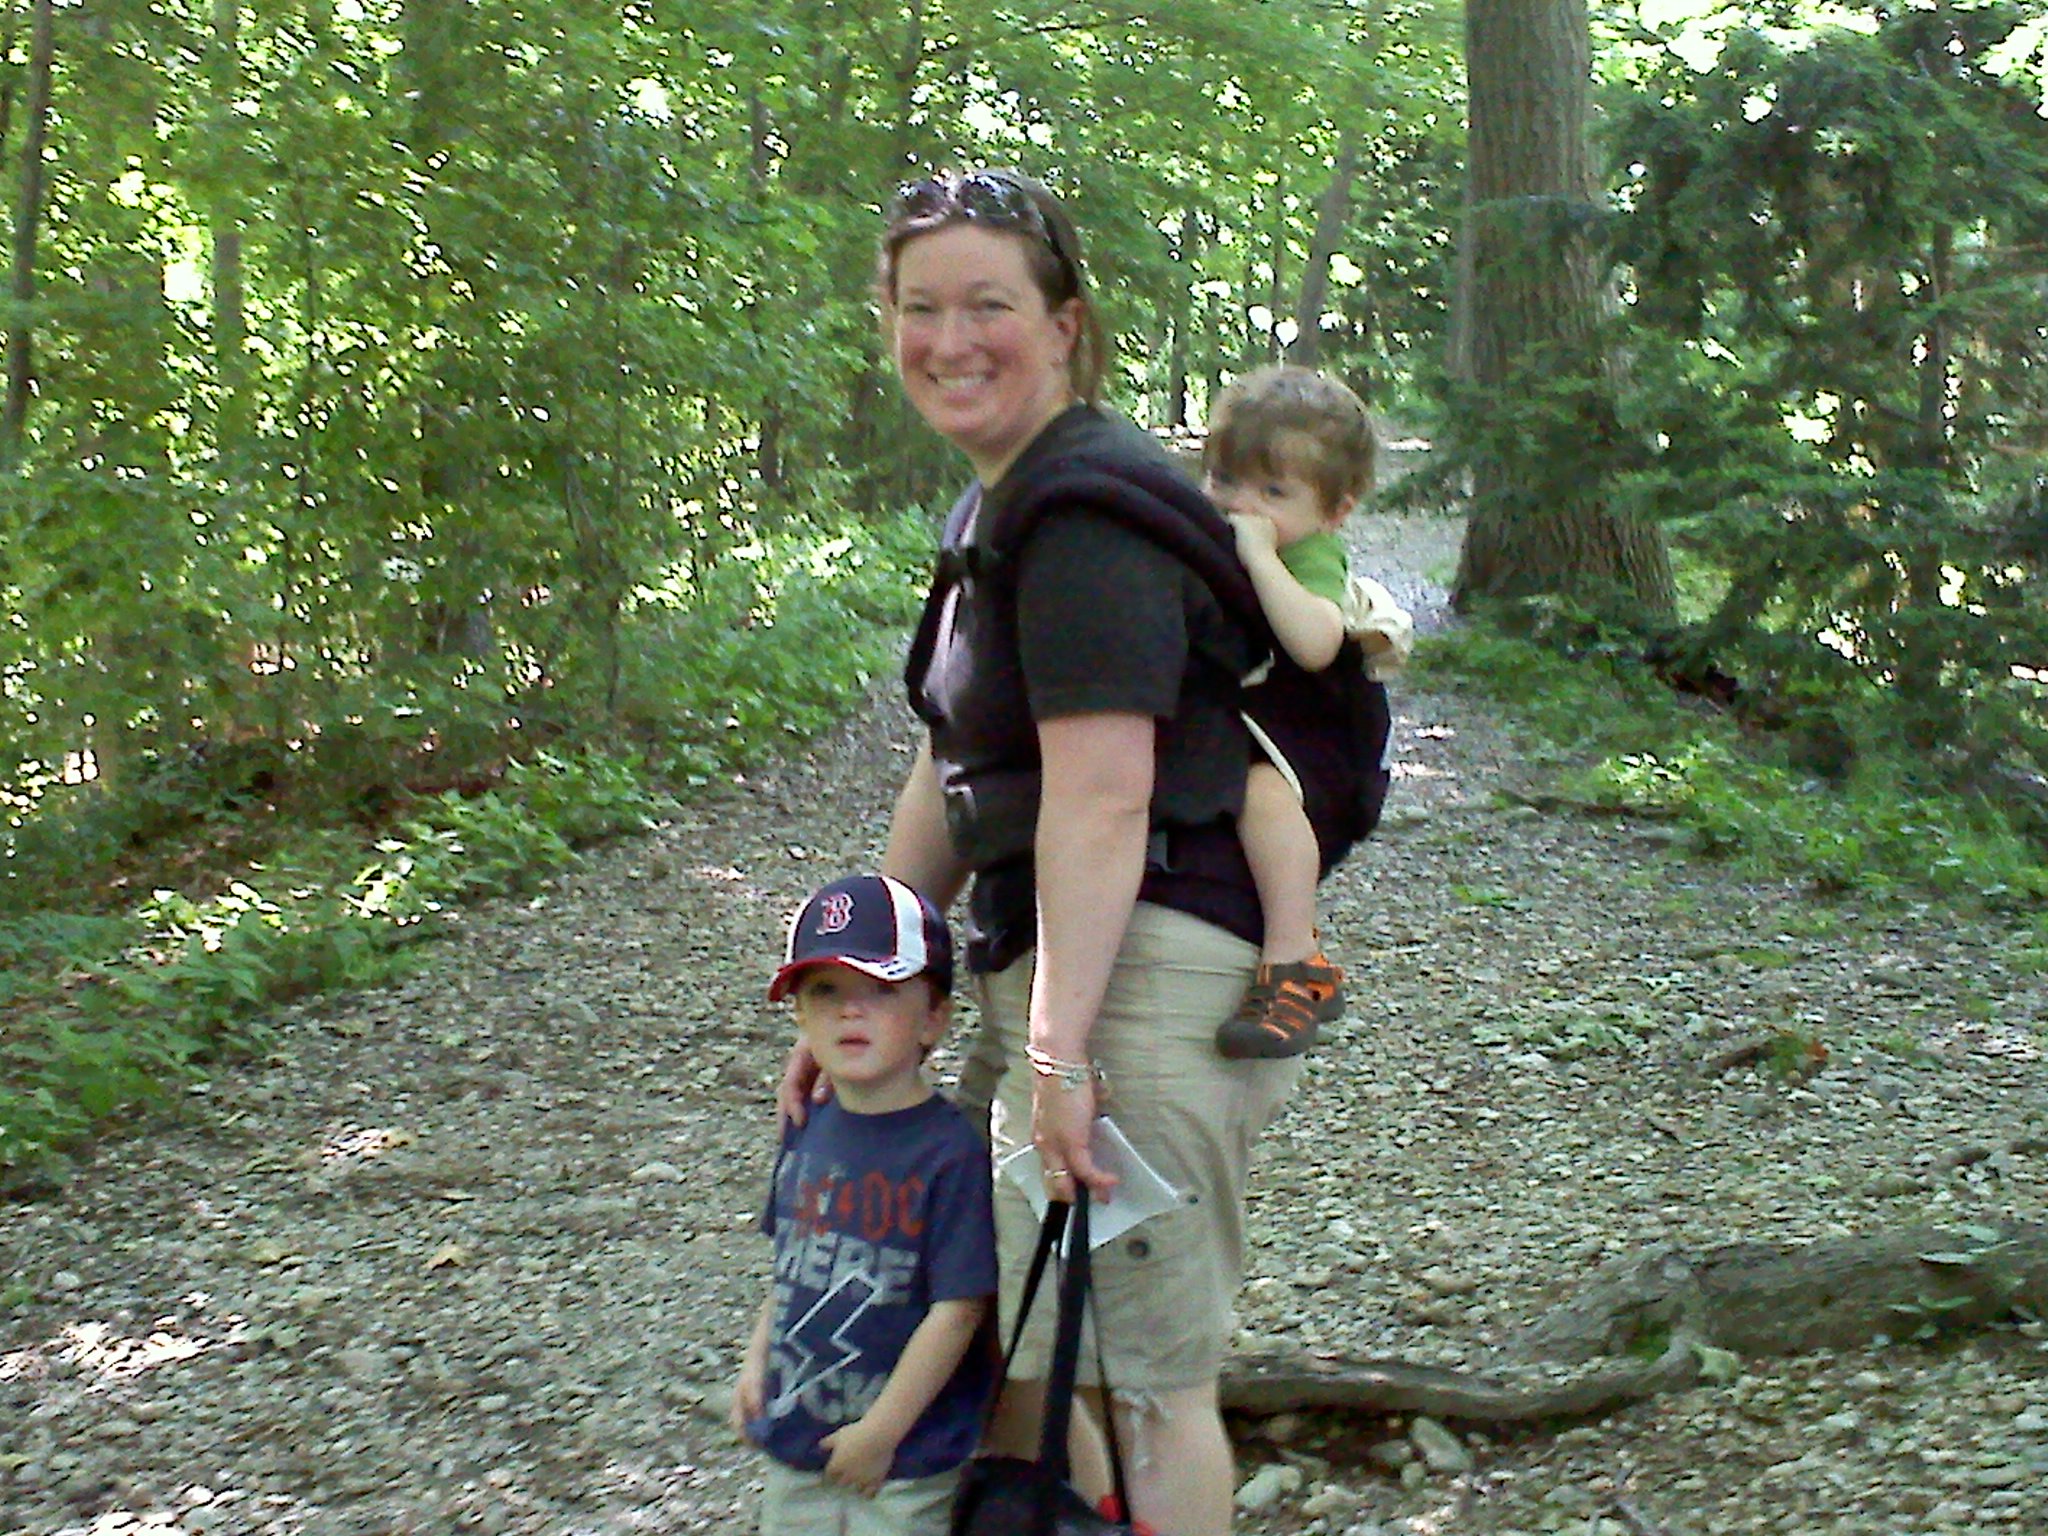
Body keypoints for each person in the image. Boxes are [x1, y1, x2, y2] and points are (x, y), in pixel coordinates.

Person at [786, 165, 1299, 1536]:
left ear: (1065, 324)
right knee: (1014, 1329)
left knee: (1146, 1379)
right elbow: (954, 765)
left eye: (988, 306)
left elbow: (1102, 798)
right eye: (919, 307)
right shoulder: (999, 510)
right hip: (1060, 969)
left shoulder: (1082, 519)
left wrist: (1063, 1059)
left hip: (1135, 974)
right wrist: (867, 979)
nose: (949, 340)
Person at [733, 873, 997, 1536]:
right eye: (825, 992)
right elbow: (792, 1267)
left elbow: (959, 1310)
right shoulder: (806, 1123)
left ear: (933, 1017)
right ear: (799, 1015)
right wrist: (757, 1360)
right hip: (797, 1434)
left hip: (904, 1460)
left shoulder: (950, 1153)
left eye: (880, 990)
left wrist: (883, 1431)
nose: (850, 1011)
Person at [1201, 364, 1412, 1059]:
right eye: (1224, 481)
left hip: (1321, 726)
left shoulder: (1310, 554)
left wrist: (1260, 559)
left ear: (1335, 510)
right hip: (1262, 715)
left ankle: (1295, 962)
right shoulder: (1217, 534)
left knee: (1261, 793)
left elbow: (1316, 643)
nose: (1241, 505)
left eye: (1272, 492)